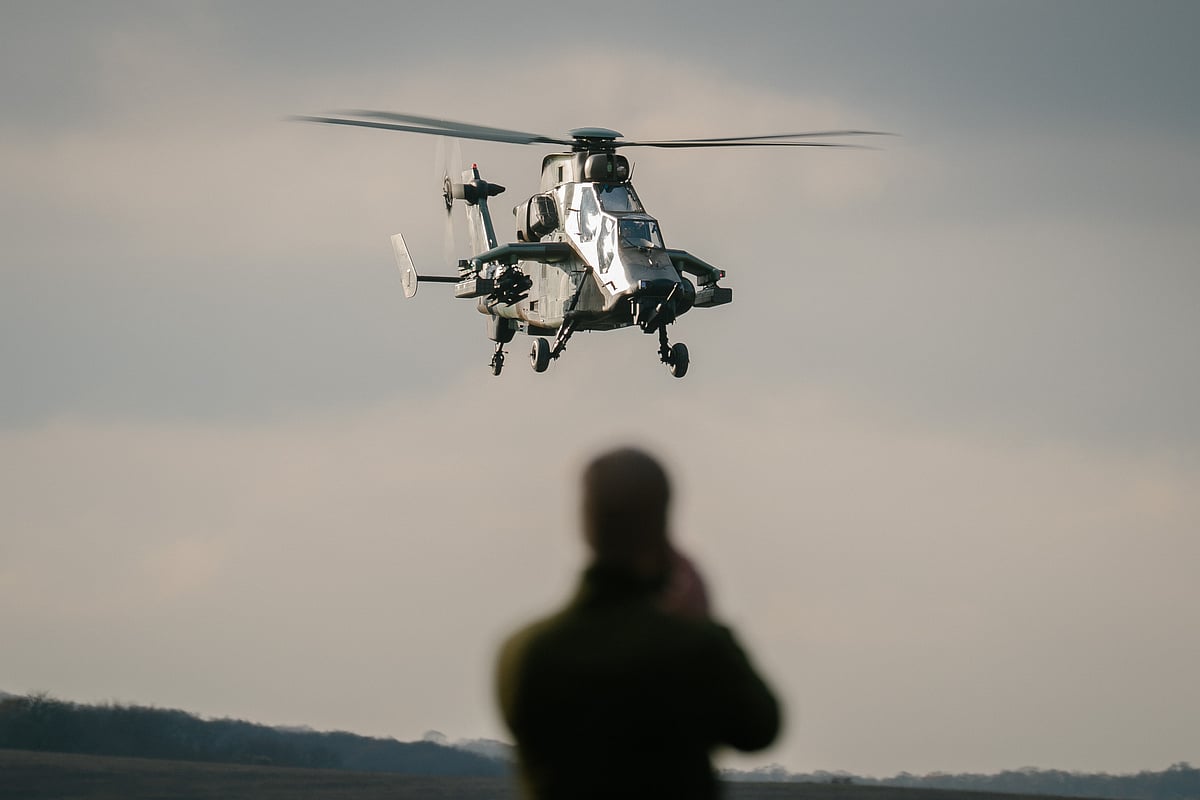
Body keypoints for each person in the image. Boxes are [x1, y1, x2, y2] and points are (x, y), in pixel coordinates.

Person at [495, 447, 781, 800]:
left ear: (584, 522)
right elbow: (760, 728)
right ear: (662, 524)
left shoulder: (524, 653)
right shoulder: (694, 651)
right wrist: (708, 624)